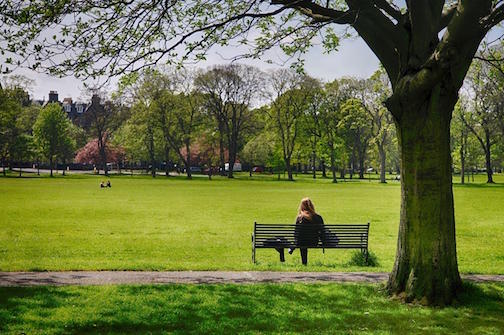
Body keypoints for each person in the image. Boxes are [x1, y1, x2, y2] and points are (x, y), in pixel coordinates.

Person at [289, 197, 324, 265]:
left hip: (301, 242)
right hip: (313, 242)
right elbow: (322, 231)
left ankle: (304, 263)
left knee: (302, 241)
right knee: (303, 240)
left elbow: (296, 233)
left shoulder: (300, 218)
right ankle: (293, 247)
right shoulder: (318, 217)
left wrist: (296, 242)